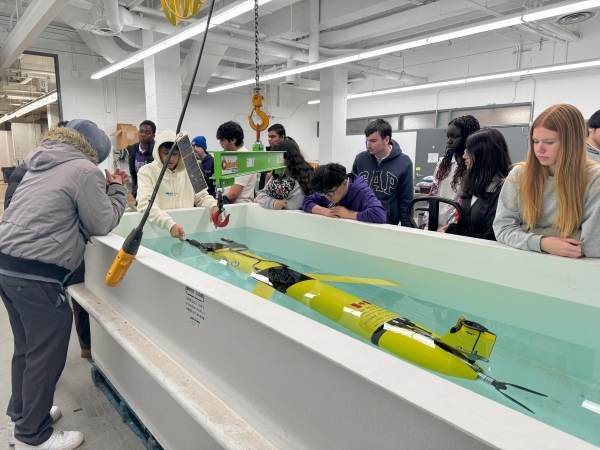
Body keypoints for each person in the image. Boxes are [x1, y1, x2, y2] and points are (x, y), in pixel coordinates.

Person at [0, 119, 129, 450]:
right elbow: (100, 222)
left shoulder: (37, 160)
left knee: (27, 347)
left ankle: (24, 412)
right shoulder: (83, 169)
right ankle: (33, 436)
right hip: (38, 272)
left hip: (7, 264)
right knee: (47, 351)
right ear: (95, 151)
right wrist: (116, 189)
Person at [3, 120, 93, 361]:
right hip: (40, 263)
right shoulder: (62, 170)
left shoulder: (34, 165)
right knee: (44, 343)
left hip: (16, 260)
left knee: (27, 344)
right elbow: (94, 220)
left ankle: (85, 346)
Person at [494, 104, 600, 258]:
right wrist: (543, 243)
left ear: (571, 143)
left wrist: (527, 231)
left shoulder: (594, 178)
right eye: (535, 141)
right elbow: (502, 228)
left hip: (571, 272)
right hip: (521, 265)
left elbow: (592, 246)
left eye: (549, 142)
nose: (539, 149)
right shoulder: (519, 174)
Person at [137, 129, 219, 241]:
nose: (171, 158)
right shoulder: (146, 172)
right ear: (158, 152)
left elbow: (201, 196)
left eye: (175, 154)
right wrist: (169, 224)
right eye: (166, 153)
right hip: (158, 233)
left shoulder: (191, 170)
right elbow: (145, 204)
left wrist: (213, 205)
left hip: (186, 232)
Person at [438, 128, 512, 240]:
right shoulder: (472, 186)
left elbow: (490, 238)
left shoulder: (504, 192)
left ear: (484, 155)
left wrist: (451, 230)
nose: (464, 156)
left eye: (469, 151)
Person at [421, 115, 481, 229]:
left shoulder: (474, 167)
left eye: (455, 136)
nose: (449, 141)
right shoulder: (442, 164)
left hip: (458, 228)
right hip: (435, 223)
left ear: (468, 137)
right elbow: (433, 195)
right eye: (448, 137)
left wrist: (450, 228)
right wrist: (426, 224)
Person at [352, 118, 414, 226]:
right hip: (361, 220)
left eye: (373, 141)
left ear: (386, 140)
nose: (368, 146)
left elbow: (406, 202)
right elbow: (352, 191)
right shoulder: (360, 159)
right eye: (367, 140)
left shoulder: (404, 163)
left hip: (386, 224)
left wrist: (408, 230)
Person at [302, 163, 386, 223]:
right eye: (323, 194)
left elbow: (379, 214)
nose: (327, 197)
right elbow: (306, 201)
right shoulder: (326, 189)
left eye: (330, 193)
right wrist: (326, 211)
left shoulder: (362, 191)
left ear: (344, 183)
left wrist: (349, 214)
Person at [256, 140, 314, 210]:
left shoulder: (303, 177)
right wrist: (273, 202)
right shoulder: (277, 175)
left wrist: (272, 202)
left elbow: (294, 204)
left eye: (278, 158)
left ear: (289, 158)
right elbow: (261, 196)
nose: (275, 162)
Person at [216, 121, 257, 204]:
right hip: (229, 206)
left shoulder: (244, 159)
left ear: (233, 140)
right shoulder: (232, 157)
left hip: (238, 207)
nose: (220, 143)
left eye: (222, 140)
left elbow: (233, 195)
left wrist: (215, 206)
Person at [259, 123, 294, 190]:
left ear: (282, 137)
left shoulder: (290, 154)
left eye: (273, 137)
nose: (269, 139)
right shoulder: (268, 154)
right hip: (266, 190)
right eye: (269, 136)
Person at [127, 120, 156, 198]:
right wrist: (134, 188)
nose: (143, 135)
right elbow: (133, 173)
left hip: (152, 191)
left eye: (147, 133)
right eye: (141, 131)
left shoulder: (156, 150)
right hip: (138, 190)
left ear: (153, 136)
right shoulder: (132, 149)